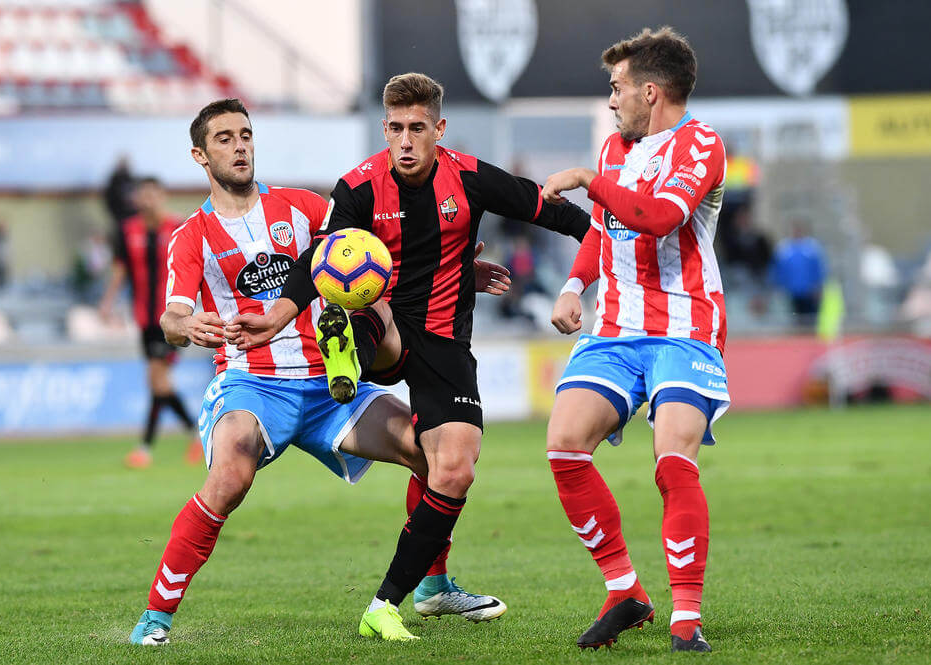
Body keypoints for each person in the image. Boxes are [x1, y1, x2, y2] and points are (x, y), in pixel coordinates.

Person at [129, 98, 512, 646]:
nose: (239, 147)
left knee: (437, 457)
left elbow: (375, 255)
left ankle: (432, 586)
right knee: (230, 476)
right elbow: (170, 315)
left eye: (245, 135)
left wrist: (458, 268)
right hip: (252, 383)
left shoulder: (304, 207)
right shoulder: (192, 236)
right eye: (224, 139)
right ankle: (156, 616)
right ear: (199, 154)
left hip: (330, 382)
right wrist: (187, 328)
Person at [229, 73, 590, 641]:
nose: (404, 140)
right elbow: (313, 260)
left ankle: (400, 599)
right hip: (384, 326)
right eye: (395, 128)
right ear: (384, 128)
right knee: (360, 290)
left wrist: (612, 250)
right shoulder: (358, 187)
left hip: (444, 342)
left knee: (453, 465)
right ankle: (344, 346)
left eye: (416, 128)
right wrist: (278, 315)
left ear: (438, 130)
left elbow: (554, 212)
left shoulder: (468, 176)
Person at [540, 27, 729, 653]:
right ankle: (625, 591)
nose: (612, 99)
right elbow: (607, 228)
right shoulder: (614, 150)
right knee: (565, 445)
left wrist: (586, 181)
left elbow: (659, 218)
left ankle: (686, 618)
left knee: (672, 460)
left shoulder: (702, 145)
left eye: (618, 88)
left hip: (683, 327)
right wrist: (573, 285)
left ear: (652, 92)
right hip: (616, 328)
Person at [99, 176, 201, 468]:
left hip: (173, 317)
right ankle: (196, 434)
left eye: (153, 195)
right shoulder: (127, 230)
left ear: (162, 196)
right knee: (158, 384)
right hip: (143, 317)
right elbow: (120, 270)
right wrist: (107, 302)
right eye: (143, 195)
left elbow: (193, 267)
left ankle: (145, 449)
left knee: (157, 380)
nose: (148, 200)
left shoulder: (178, 228)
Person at [770, 219, 827, 326]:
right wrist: (779, 286)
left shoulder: (812, 248)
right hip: (791, 291)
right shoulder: (784, 248)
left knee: (810, 319)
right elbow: (778, 269)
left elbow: (818, 269)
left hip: (808, 291)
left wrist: (818, 286)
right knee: (793, 319)